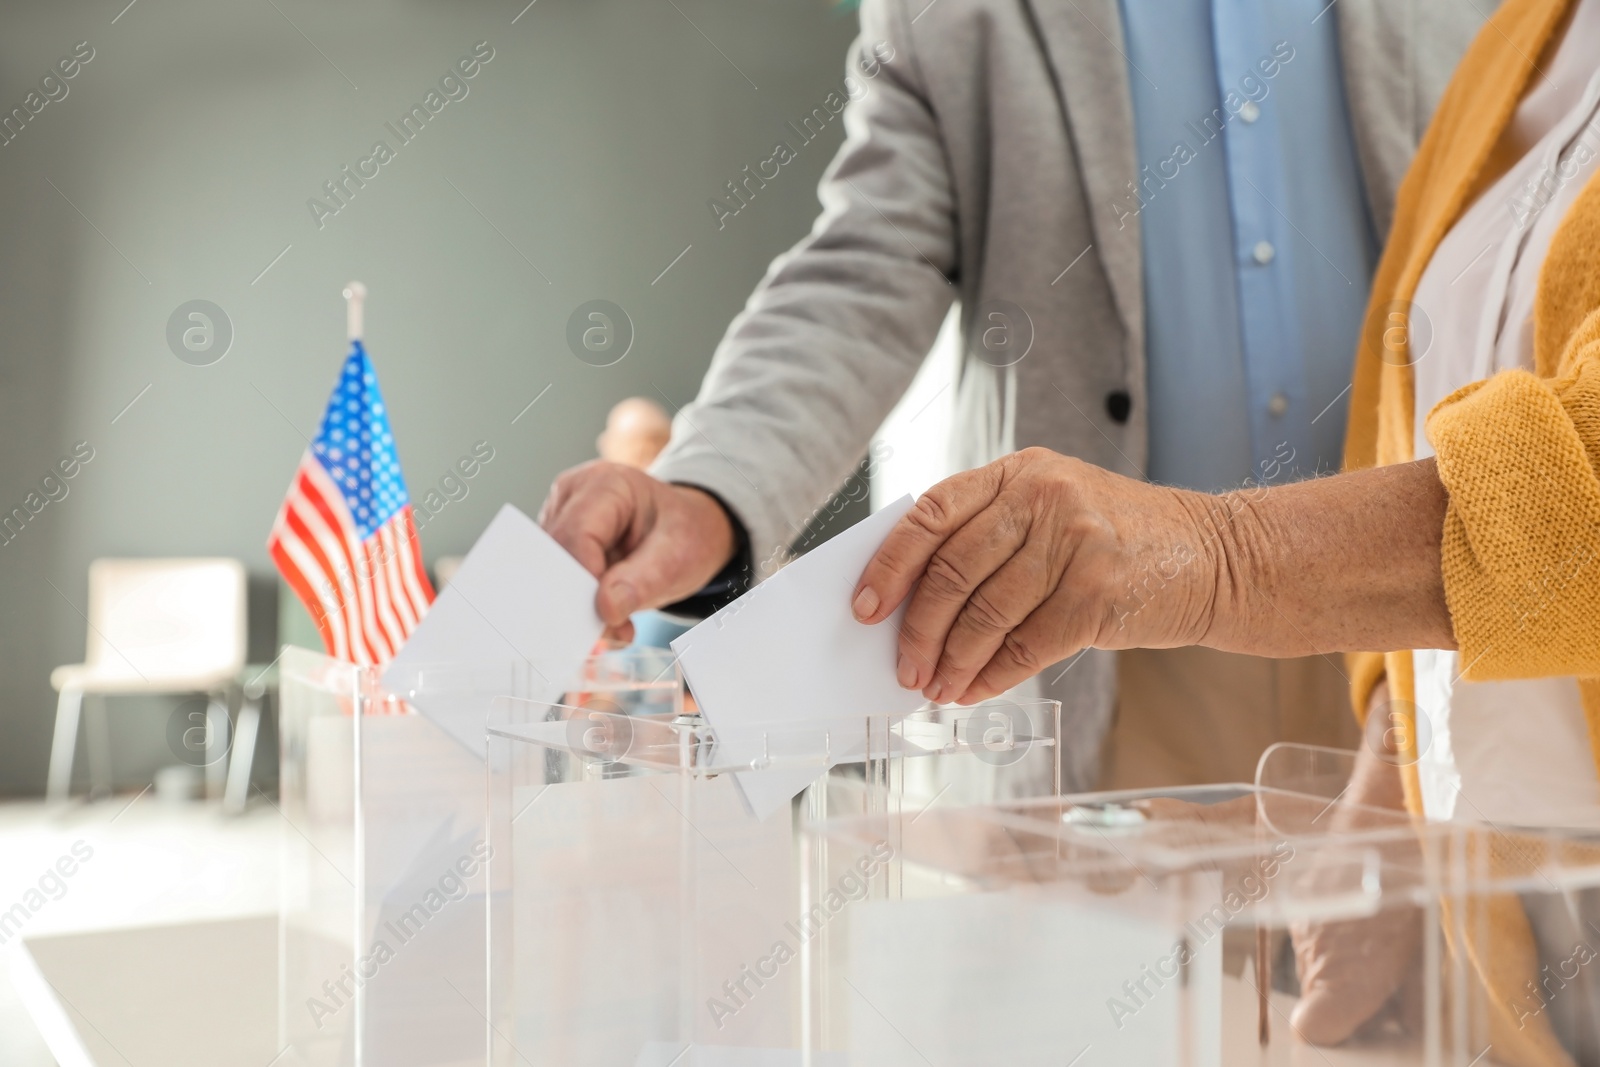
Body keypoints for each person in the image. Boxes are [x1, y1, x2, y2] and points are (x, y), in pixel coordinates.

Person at [852, 0, 1600, 1058]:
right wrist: (1385, 783)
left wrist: (1214, 556)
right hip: (1492, 872)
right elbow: (1418, 398)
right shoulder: (1525, 33)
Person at [540, 0, 1488, 792]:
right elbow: (867, 268)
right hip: (1115, 649)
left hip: (1418, 610)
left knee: (1433, 1008)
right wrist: (713, 488)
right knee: (1135, 1006)